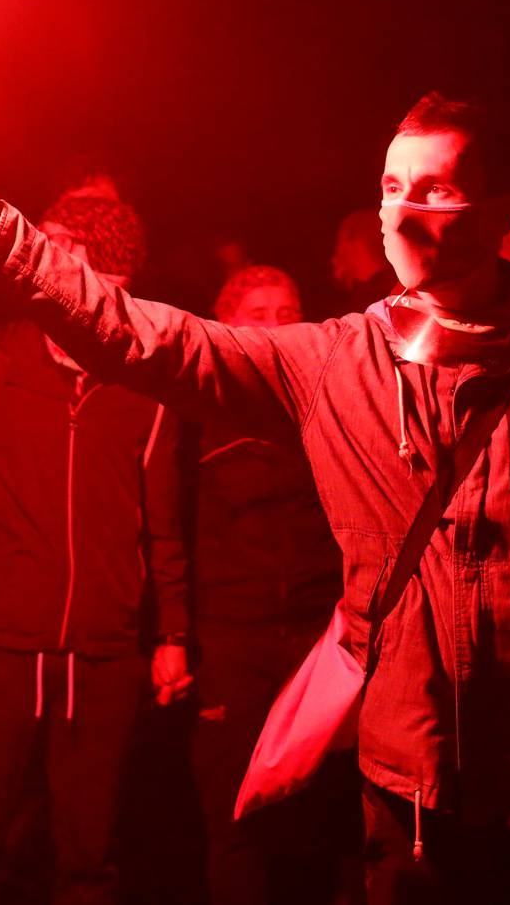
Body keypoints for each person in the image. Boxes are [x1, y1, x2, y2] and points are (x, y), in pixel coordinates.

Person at [0, 92, 510, 905]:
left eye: (438, 188)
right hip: (416, 797)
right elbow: (135, 332)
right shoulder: (335, 363)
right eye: (390, 186)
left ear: (504, 215)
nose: (405, 209)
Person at [0, 193, 182, 905]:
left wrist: (174, 632)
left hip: (103, 652)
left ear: (102, 275)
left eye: (56, 253)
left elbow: (165, 524)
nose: (33, 266)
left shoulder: (146, 386)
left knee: (89, 857)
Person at [170, 265, 357, 905]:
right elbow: (168, 528)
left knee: (320, 822)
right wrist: (174, 634)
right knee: (234, 819)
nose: (276, 326)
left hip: (315, 641)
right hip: (231, 642)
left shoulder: (329, 409)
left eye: (288, 312)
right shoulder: (193, 412)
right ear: (225, 325)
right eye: (259, 312)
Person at [330, 208, 397, 313]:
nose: (334, 259)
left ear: (356, 243)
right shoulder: (399, 290)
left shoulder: (364, 304)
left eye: (340, 241)